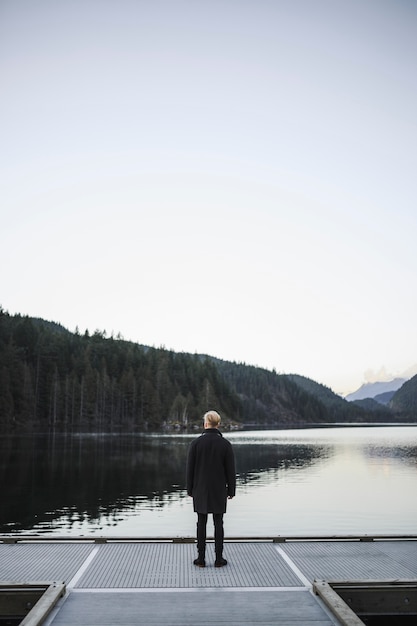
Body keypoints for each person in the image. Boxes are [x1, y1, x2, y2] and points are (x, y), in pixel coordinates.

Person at [186, 410, 236, 568]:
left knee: (201, 522)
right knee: (218, 523)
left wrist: (189, 489)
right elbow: (230, 471)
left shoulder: (196, 443)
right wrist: (231, 490)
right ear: (218, 424)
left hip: (200, 488)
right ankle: (219, 559)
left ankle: (200, 559)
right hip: (218, 489)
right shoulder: (225, 444)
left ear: (205, 424)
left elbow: (190, 469)